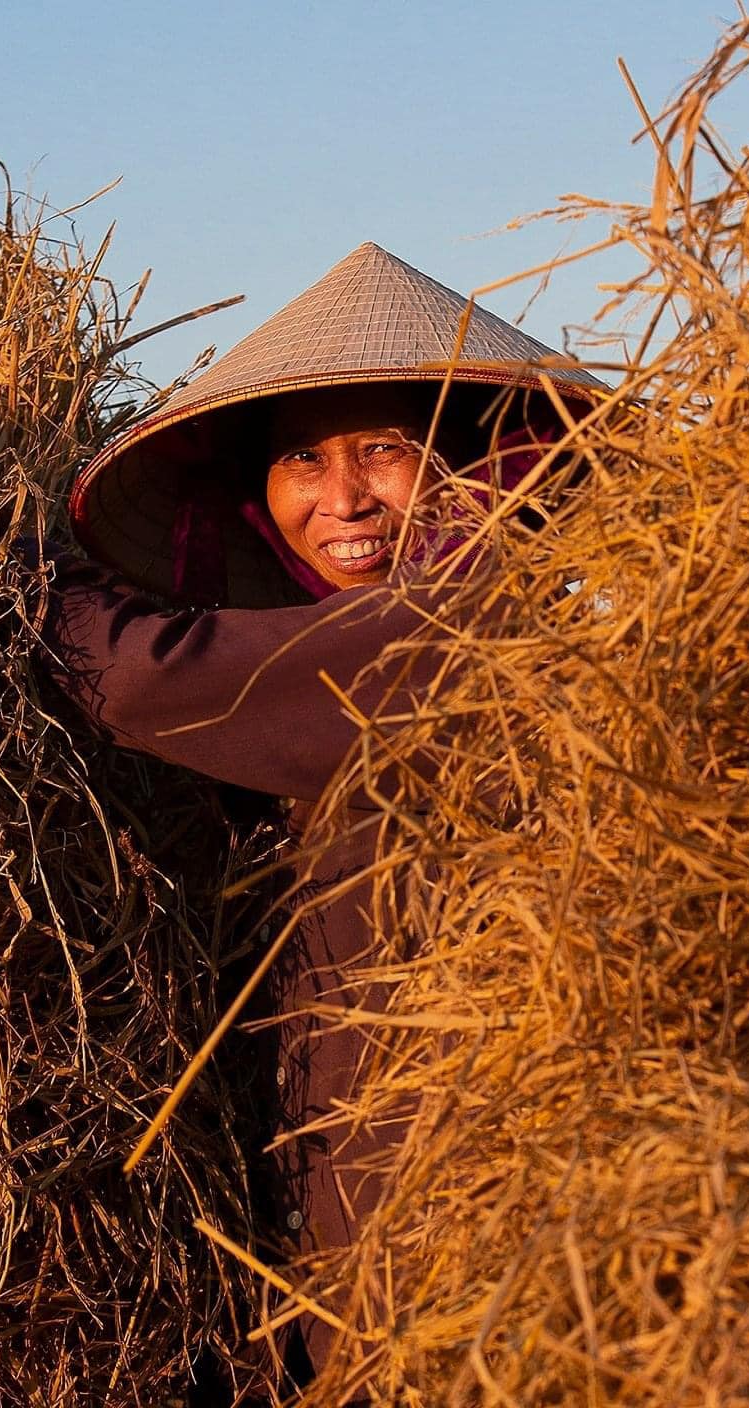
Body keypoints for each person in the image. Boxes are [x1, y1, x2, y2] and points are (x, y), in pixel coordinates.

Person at [39, 241, 604, 1385]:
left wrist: (38, 592)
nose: (342, 499)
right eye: (302, 457)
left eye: (383, 450)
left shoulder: (472, 620)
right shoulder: (331, 646)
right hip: (338, 1209)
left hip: (471, 1219)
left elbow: (154, 680)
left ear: (464, 462)